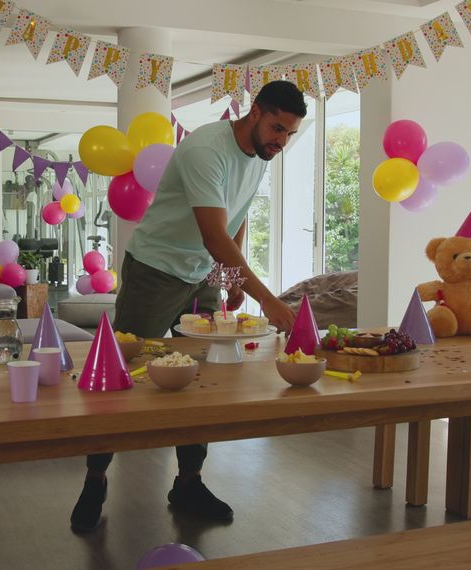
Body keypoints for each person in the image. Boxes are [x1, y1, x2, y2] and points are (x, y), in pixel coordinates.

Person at [70, 80, 307, 532]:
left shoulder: (260, 155)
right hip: (155, 272)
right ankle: (95, 478)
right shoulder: (206, 150)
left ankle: (189, 483)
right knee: (121, 374)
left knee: (201, 378)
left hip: (202, 275)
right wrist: (267, 300)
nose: (281, 140)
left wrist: (228, 280)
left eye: (289, 134)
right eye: (277, 127)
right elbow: (213, 236)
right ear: (254, 113)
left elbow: (234, 219)